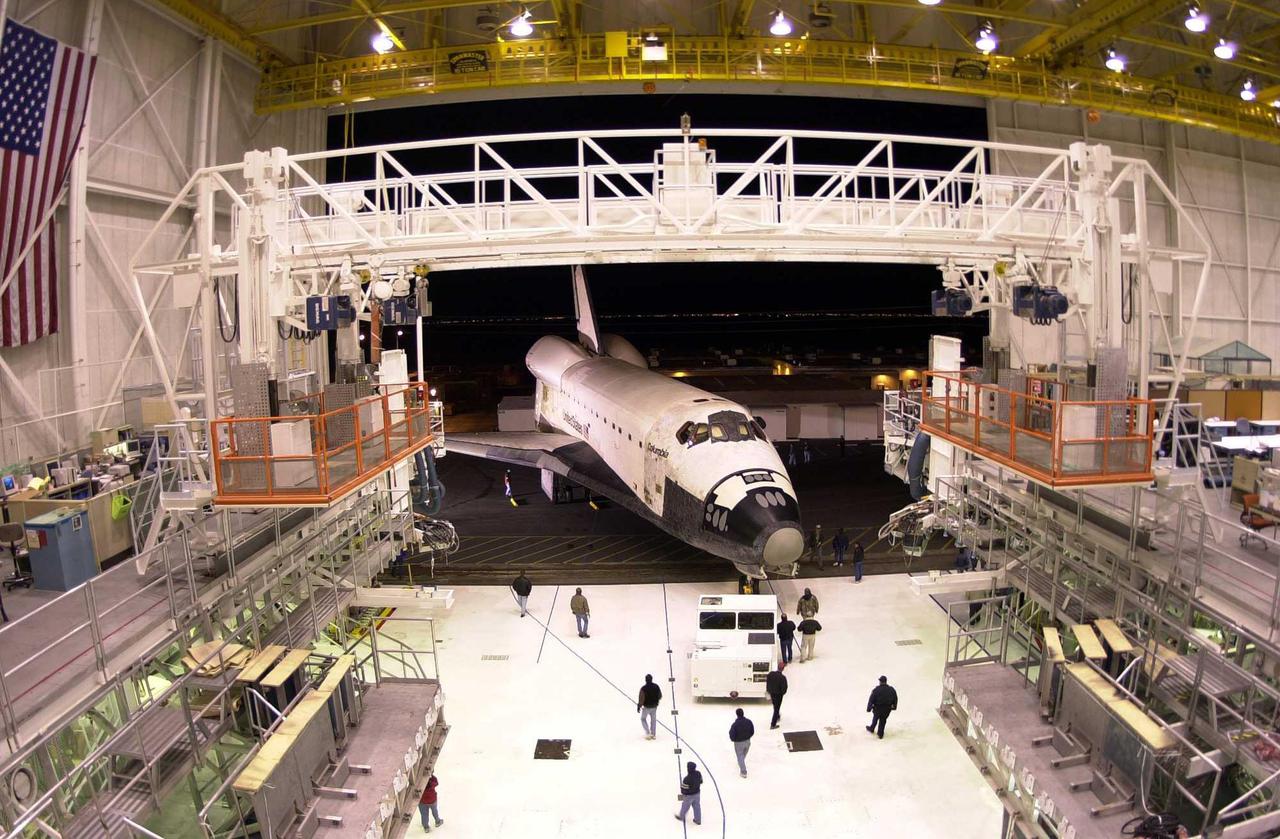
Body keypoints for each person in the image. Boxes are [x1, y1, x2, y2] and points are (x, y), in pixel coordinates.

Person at [729, 708, 755, 777]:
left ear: (737, 715)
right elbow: (752, 731)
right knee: (743, 755)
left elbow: (732, 735)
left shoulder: (735, 725)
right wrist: (748, 737)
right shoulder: (749, 722)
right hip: (747, 741)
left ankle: (743, 772)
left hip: (738, 743)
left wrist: (734, 740)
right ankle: (741, 763)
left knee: (740, 756)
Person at [637, 674, 662, 739]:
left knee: (643, 719)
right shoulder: (656, 686)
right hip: (654, 707)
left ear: (645, 680)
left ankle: (648, 733)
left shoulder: (643, 688)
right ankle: (653, 734)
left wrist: (639, 706)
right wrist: (656, 700)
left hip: (647, 707)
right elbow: (660, 696)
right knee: (653, 720)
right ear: (651, 679)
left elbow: (641, 698)